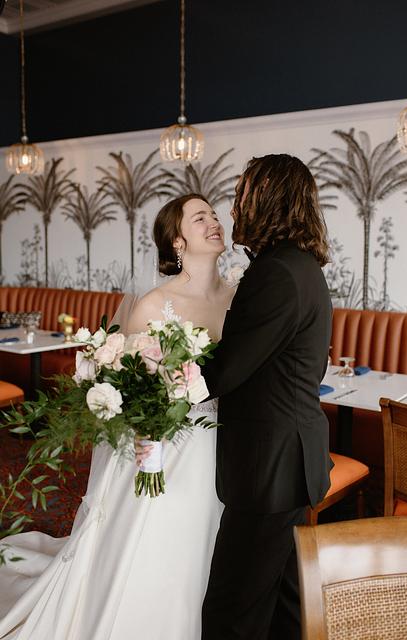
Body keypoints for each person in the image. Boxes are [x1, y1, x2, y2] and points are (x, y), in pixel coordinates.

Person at [0, 193, 234, 640]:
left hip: (222, 439)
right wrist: (149, 437)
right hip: (169, 445)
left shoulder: (240, 297)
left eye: (214, 215)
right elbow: (131, 393)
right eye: (200, 218)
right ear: (177, 241)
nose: (214, 222)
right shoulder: (154, 306)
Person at [200, 153, 333, 640]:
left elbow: (225, 371)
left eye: (242, 194)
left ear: (269, 200)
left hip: (269, 470)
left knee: (231, 613)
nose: (234, 207)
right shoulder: (302, 267)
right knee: (284, 607)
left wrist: (160, 374)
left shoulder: (275, 272)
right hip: (288, 464)